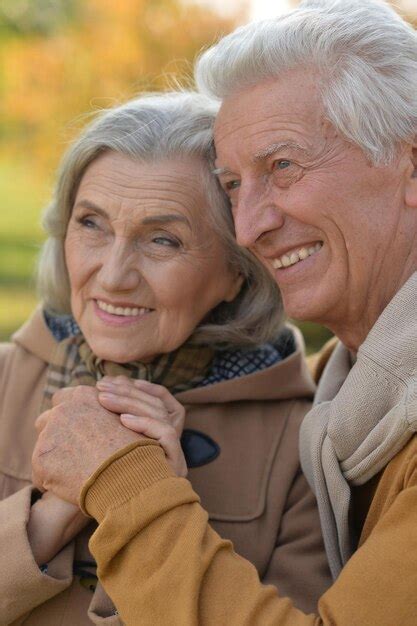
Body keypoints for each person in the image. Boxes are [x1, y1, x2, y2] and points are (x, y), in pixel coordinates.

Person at [30, 0, 417, 624]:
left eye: (282, 166)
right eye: (234, 184)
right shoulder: (341, 390)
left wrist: (121, 481)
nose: (250, 225)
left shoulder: (304, 426)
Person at [0, 92, 330, 625]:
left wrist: (142, 499)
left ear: (237, 271)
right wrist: (55, 513)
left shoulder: (306, 444)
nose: (112, 275)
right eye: (91, 224)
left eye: (162, 239)